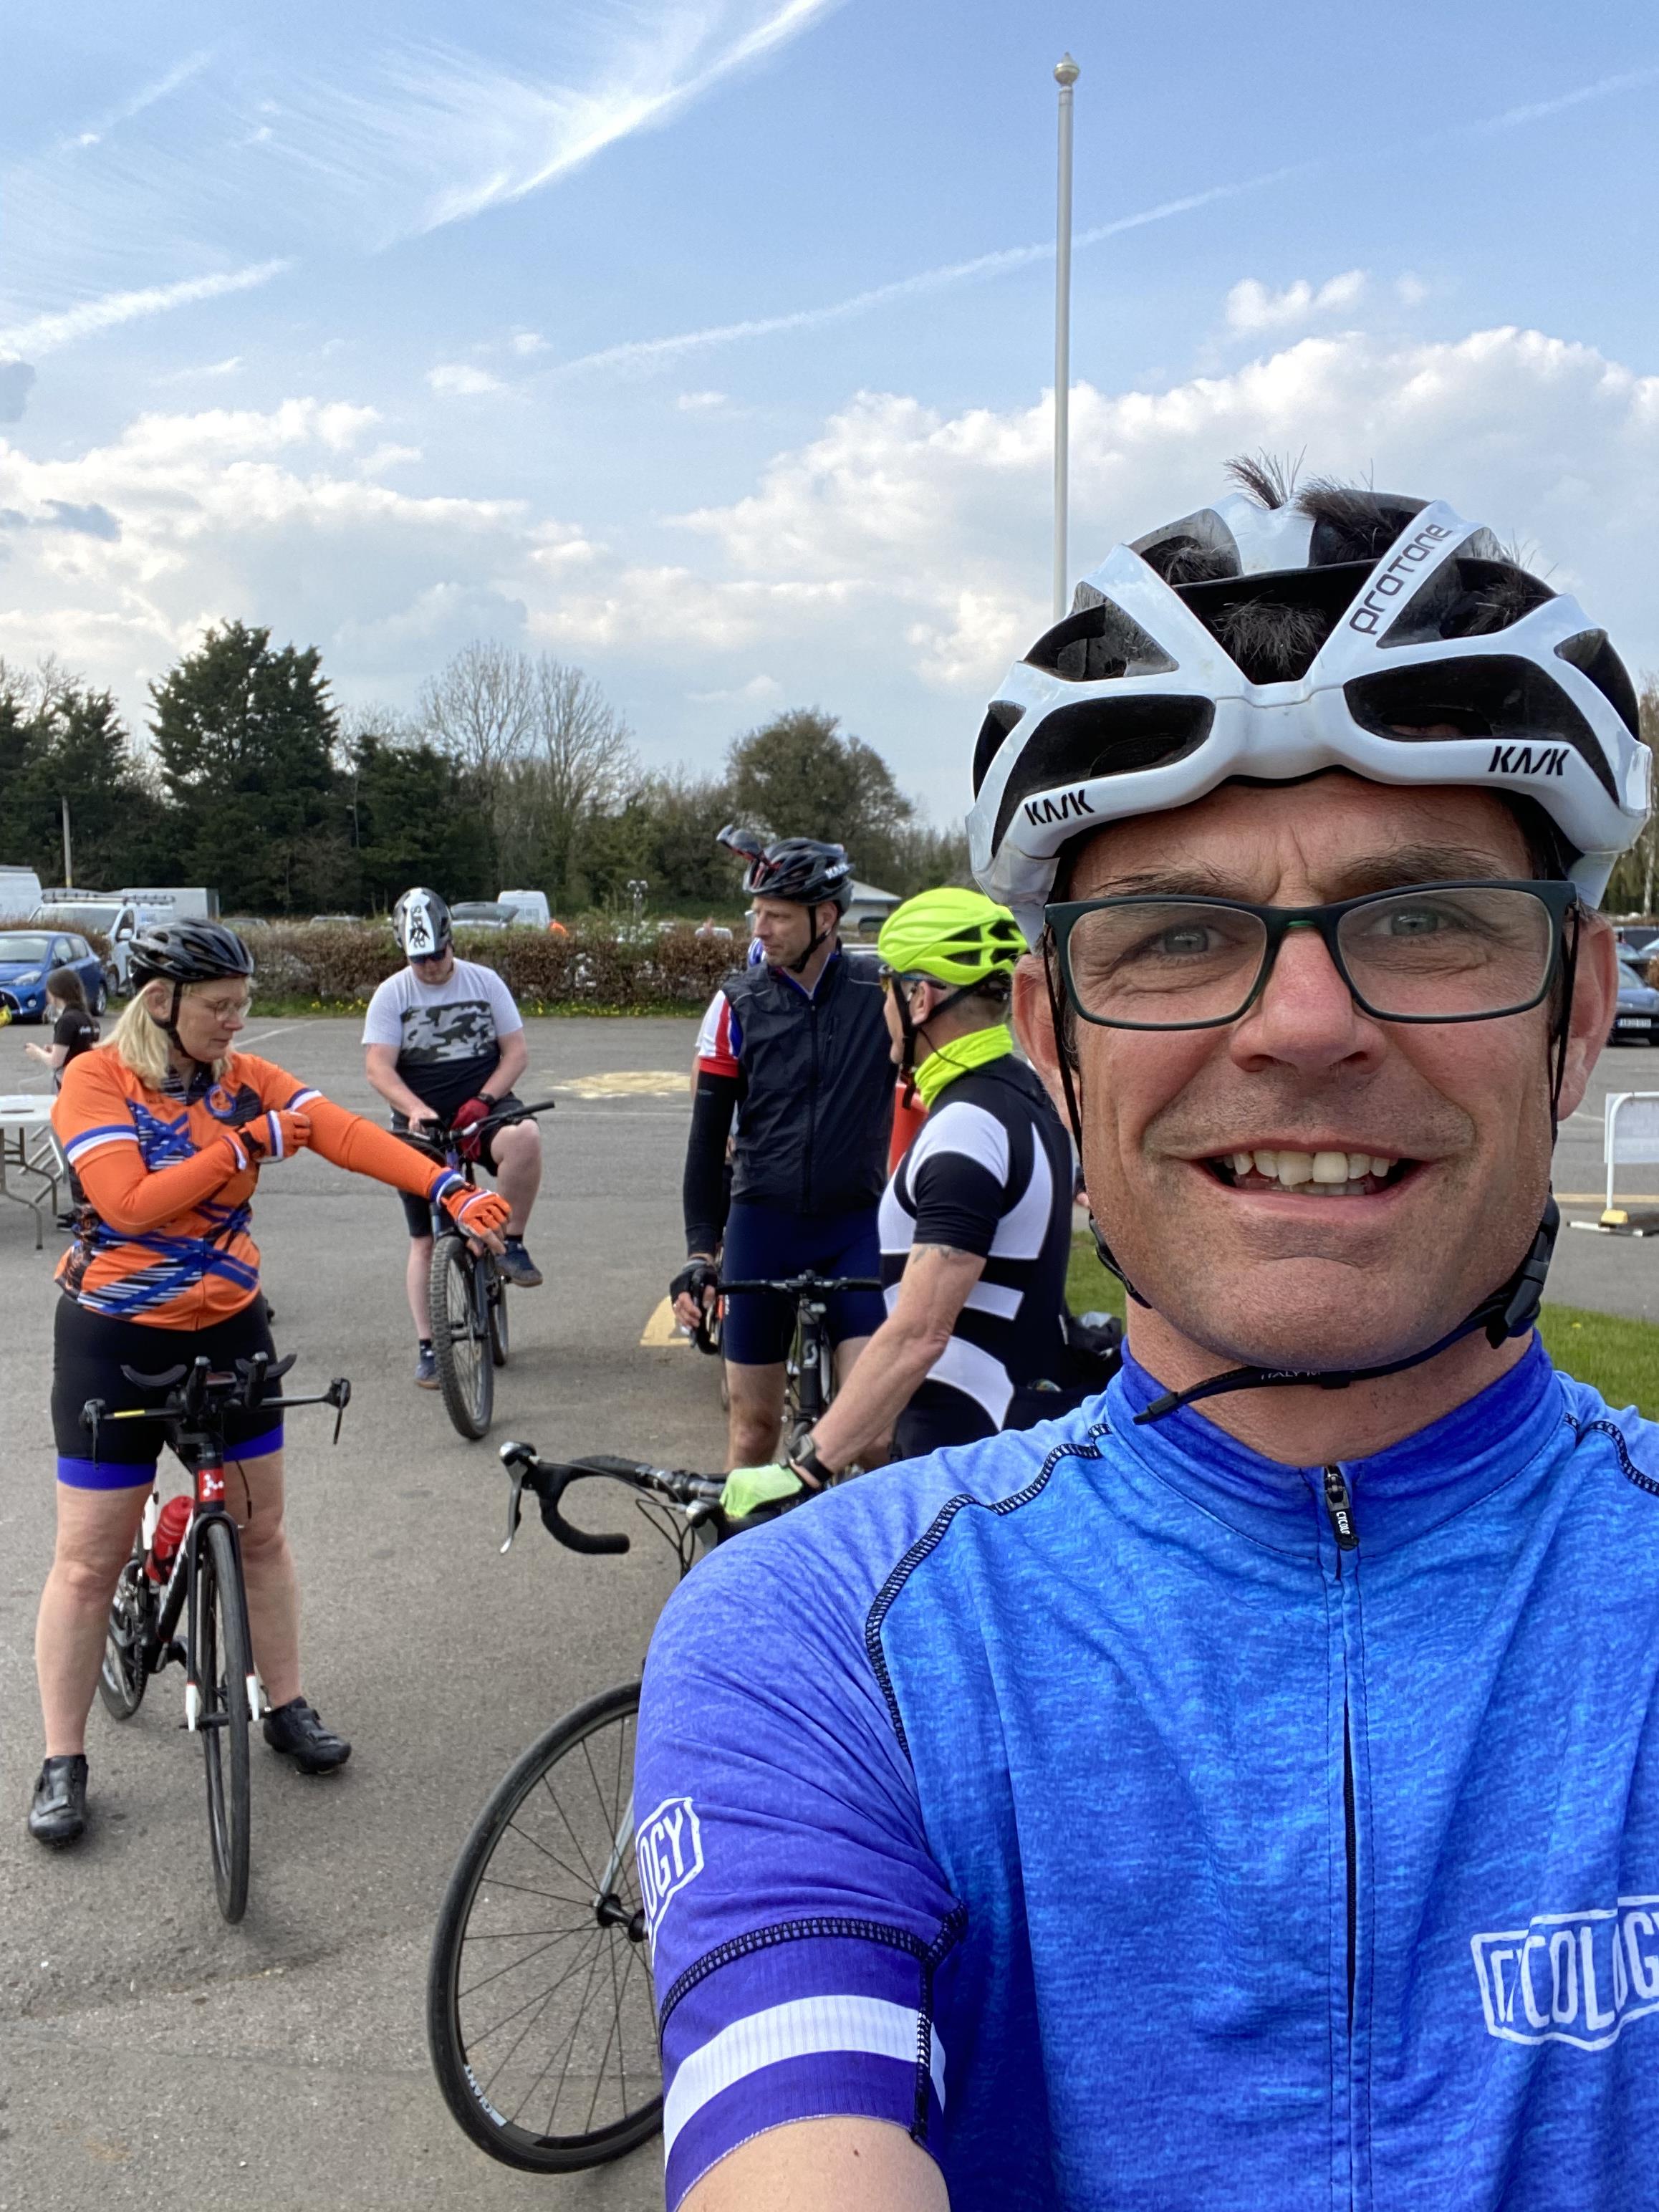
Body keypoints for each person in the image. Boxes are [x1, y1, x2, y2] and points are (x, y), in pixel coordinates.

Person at [635, 468, 1655, 2211]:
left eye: (1421, 917)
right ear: (1055, 1037)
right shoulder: (823, 1642)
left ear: (1575, 1018)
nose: (1304, 1026)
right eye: (1178, 935)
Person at [29, 921, 509, 1846]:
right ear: (159, 1002)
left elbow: (341, 1131)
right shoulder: (98, 1079)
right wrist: (243, 1147)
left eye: (242, 1006)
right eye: (219, 1007)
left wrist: (448, 1188)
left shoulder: (243, 1080)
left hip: (229, 1327)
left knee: (261, 1533)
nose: (235, 1023)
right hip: (112, 1337)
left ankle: (284, 1705)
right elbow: (128, 1202)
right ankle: (62, 1760)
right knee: (87, 1563)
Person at [718, 887, 1079, 1520]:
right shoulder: (1025, 1096)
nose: (881, 1010)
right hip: (1011, 1439)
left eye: (887, 990)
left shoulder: (968, 1129)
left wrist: (806, 1467)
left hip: (963, 1458)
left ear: (920, 999)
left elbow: (919, 1332)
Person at [670, 830, 895, 1467]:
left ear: (826, 918)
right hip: (762, 1223)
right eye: (757, 913)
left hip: (855, 1224)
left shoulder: (881, 993)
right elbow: (707, 1140)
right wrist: (700, 1251)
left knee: (874, 1438)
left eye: (777, 915)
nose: (760, 929)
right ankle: (743, 1535)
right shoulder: (736, 1004)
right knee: (753, 1432)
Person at [362, 888, 544, 1388]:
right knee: (425, 1241)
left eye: (438, 955)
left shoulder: (484, 982)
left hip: (482, 1107)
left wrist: (485, 1099)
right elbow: (378, 1068)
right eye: (418, 959)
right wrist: (414, 1109)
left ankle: (511, 1242)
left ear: (451, 942)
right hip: (420, 1122)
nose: (431, 967)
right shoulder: (392, 994)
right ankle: (429, 1346)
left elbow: (516, 1053)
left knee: (525, 1136)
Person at [23, 965, 98, 1090]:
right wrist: (56, 1049)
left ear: (54, 993)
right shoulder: (91, 1020)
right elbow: (80, 1048)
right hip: (89, 1082)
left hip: (70, 1084)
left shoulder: (66, 1021)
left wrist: (37, 1052)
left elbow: (56, 1062)